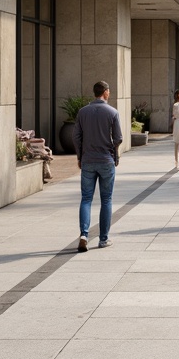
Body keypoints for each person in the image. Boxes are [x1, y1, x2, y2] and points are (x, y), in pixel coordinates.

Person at [74, 81, 123, 251]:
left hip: (88, 159)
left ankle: (84, 234)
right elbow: (118, 138)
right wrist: (115, 154)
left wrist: (80, 156)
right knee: (106, 199)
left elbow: (77, 137)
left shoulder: (82, 112)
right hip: (106, 160)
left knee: (86, 198)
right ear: (106, 92)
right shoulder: (112, 112)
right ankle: (103, 239)